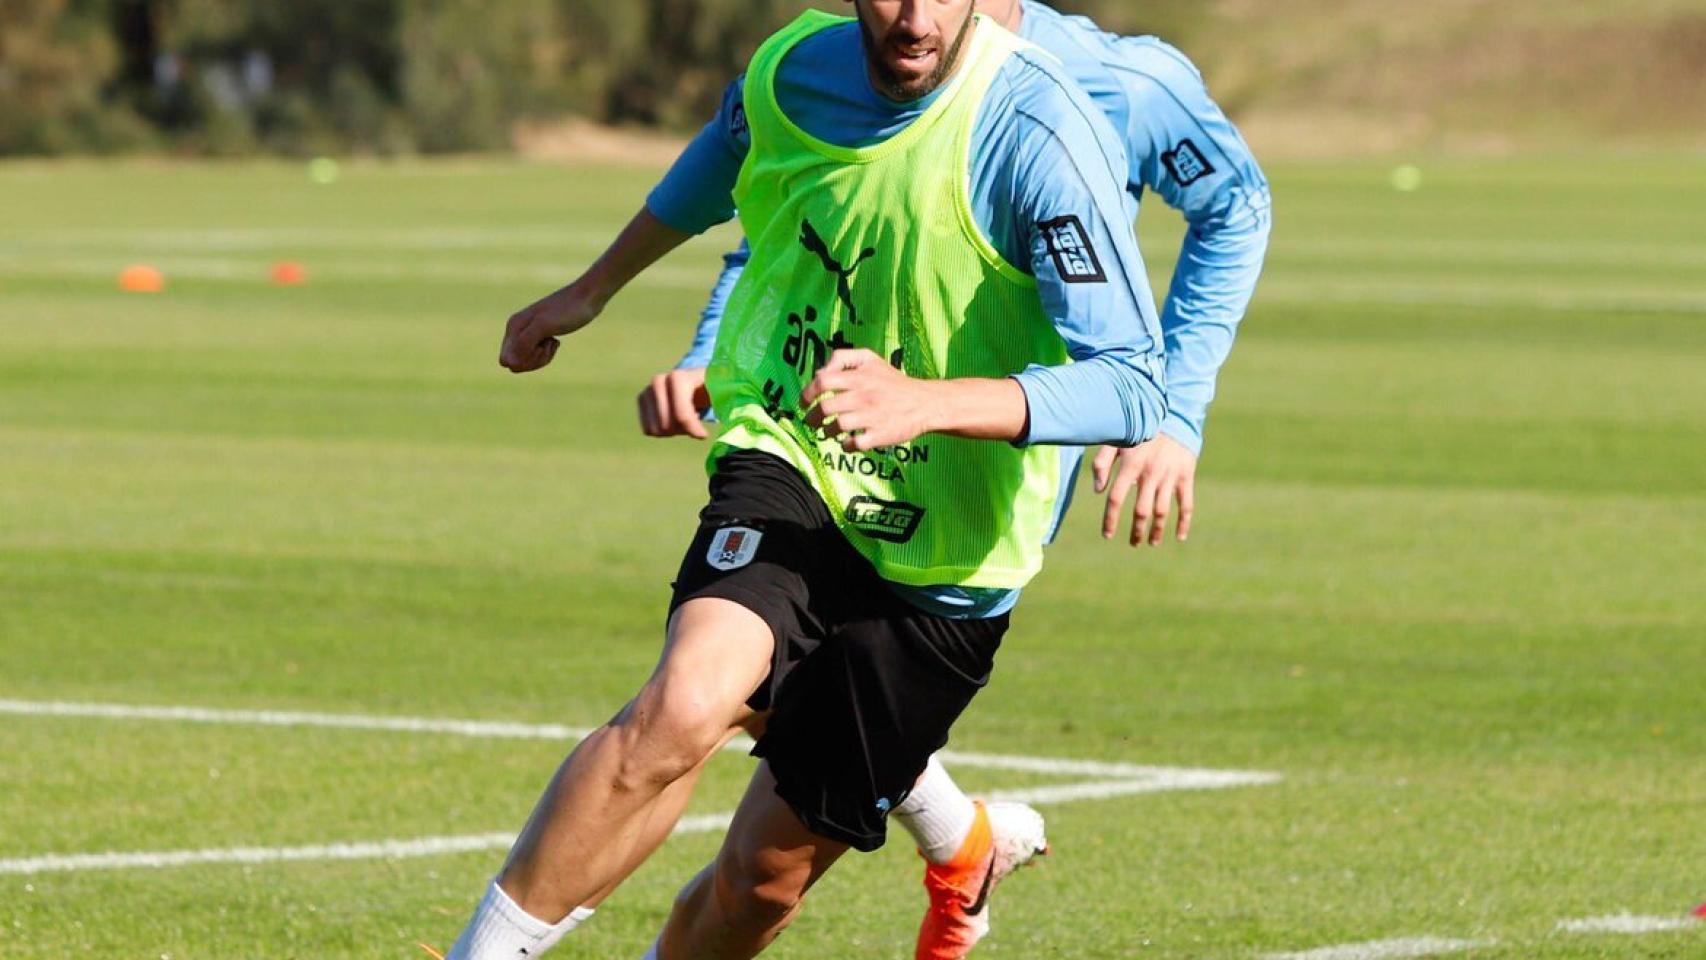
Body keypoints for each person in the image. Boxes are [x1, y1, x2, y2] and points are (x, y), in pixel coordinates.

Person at [446, 2, 1172, 958]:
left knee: (757, 888)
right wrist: (593, 288)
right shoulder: (791, 71)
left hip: (946, 560)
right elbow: (721, 160)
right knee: (684, 708)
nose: (912, 17)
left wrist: (926, 401)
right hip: (791, 455)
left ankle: (961, 839)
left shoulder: (1037, 131)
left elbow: (1130, 384)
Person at [632, 1, 1271, 956]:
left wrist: (1173, 412)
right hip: (817, 439)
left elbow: (1236, 204)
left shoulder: (1116, 83)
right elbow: (788, 215)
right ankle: (958, 836)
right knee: (726, 665)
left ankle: (958, 837)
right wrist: (708, 350)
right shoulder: (845, 62)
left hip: (974, 477)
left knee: (779, 766)